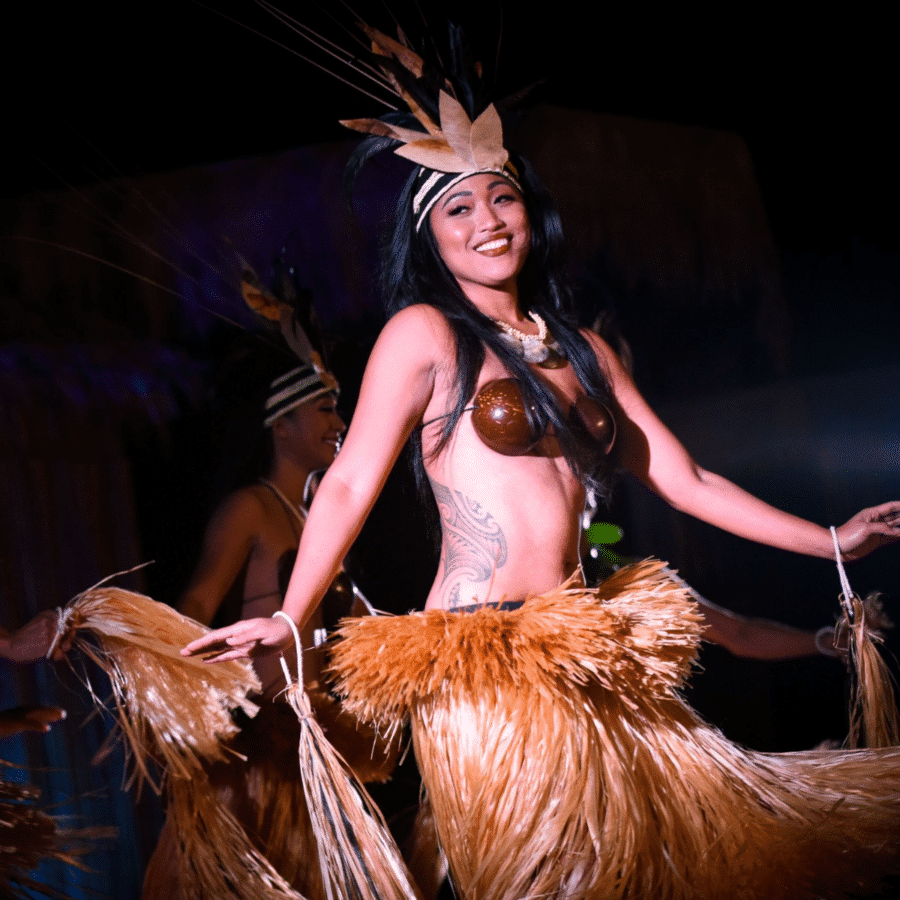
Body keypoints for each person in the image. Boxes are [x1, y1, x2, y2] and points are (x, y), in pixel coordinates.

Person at [184, 29, 900, 900]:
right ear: (431, 238)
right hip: (483, 658)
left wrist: (829, 538)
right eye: (458, 209)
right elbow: (346, 482)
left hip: (587, 643)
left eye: (502, 197)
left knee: (658, 868)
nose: (487, 221)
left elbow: (687, 480)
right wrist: (293, 617)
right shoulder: (425, 336)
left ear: (529, 209)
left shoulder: (585, 349)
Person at [145, 357, 394, 900]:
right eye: (325, 409)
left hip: (316, 740)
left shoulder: (318, 521)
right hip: (262, 741)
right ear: (281, 425)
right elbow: (198, 601)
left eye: (340, 410)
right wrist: (180, 701)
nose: (341, 424)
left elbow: (361, 621)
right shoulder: (249, 509)